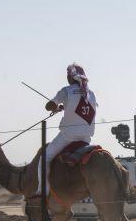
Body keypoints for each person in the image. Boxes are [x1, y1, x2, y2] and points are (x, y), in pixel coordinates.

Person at [37, 63, 98, 195]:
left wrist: (55, 107)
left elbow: (49, 106)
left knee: (44, 158)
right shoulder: (91, 94)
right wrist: (65, 107)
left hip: (68, 137)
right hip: (86, 138)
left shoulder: (66, 91)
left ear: (70, 77)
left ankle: (43, 190)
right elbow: (83, 108)